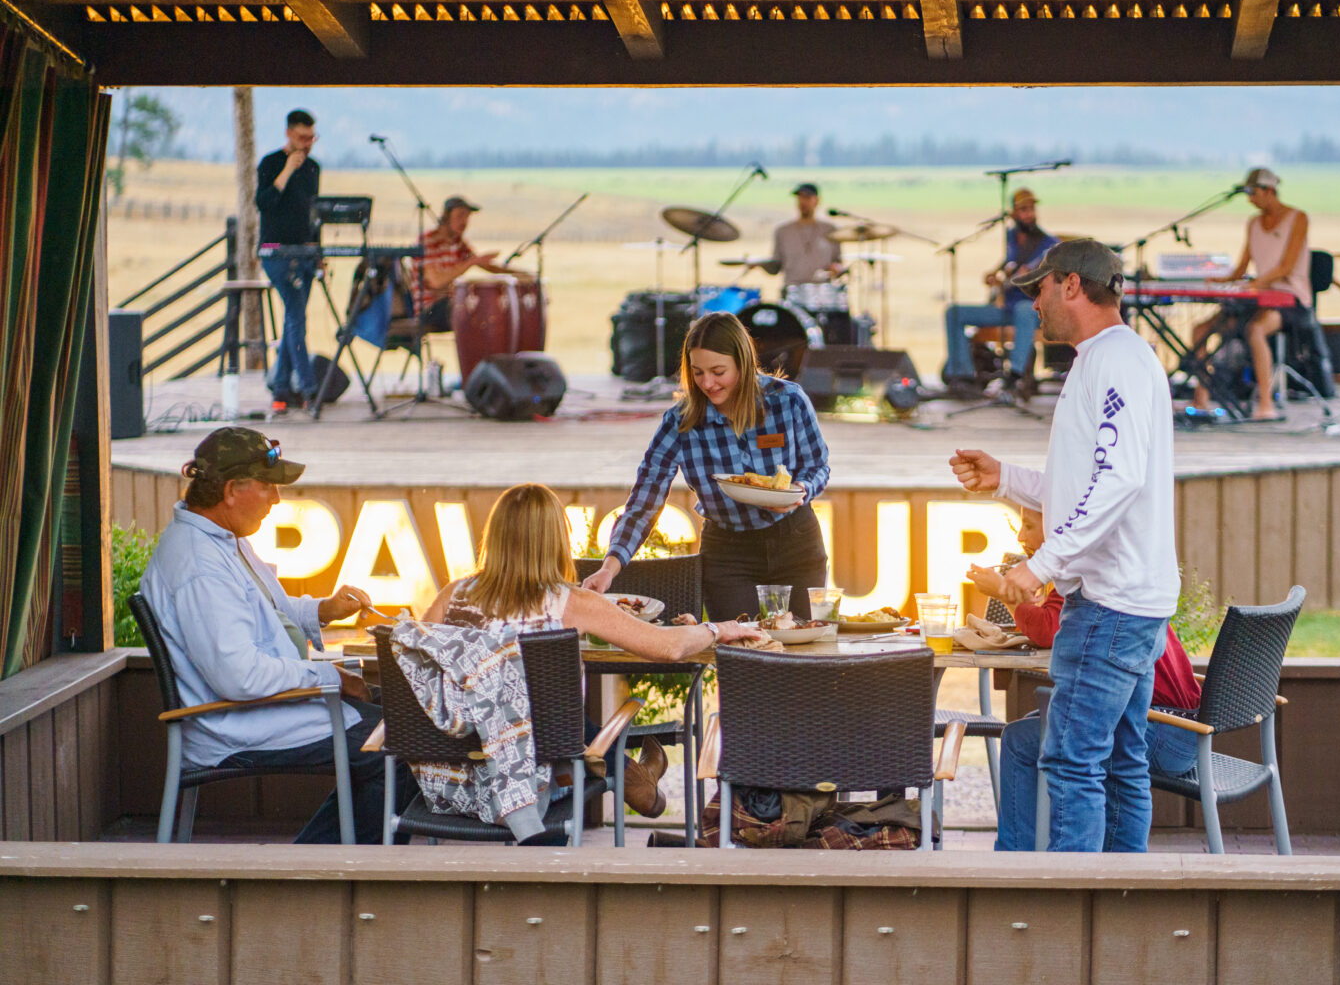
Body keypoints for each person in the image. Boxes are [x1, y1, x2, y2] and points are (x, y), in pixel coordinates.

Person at [949, 238, 1179, 853]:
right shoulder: (1110, 359)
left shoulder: (1114, 362)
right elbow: (1088, 482)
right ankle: (1118, 908)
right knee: (1122, 765)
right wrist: (1006, 479)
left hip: (1108, 604)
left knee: (1074, 763)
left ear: (1071, 285)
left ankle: (1075, 913)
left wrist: (1041, 564)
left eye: (1038, 290)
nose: (1032, 306)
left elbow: (1121, 478)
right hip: (1131, 600)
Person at [413, 483, 762, 838]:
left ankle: (636, 777)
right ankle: (635, 778)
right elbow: (667, 647)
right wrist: (718, 629)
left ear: (495, 536)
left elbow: (417, 671)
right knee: (561, 720)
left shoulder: (451, 597)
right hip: (532, 786)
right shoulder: (569, 602)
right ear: (556, 539)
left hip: (450, 785)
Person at [139, 427, 407, 843]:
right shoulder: (200, 566)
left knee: (404, 724)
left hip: (263, 709)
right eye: (268, 486)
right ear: (231, 490)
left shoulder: (223, 539)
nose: (277, 499)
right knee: (399, 748)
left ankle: (322, 864)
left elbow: (269, 612)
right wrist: (331, 678)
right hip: (234, 724)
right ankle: (315, 877)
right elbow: (241, 676)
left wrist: (324, 610)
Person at [967, 507, 1200, 852]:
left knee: (1025, 742)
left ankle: (1021, 865)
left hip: (1167, 729)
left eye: (1029, 526)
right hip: (1178, 728)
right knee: (1044, 733)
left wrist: (1005, 593)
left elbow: (1050, 628)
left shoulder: (1083, 572)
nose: (1020, 537)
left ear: (1058, 530)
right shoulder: (1107, 567)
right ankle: (1100, 874)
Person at [581, 312, 832, 622]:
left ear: (742, 362)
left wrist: (802, 491)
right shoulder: (680, 422)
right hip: (729, 553)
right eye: (698, 372)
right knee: (740, 655)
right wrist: (610, 567)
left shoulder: (789, 401)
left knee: (802, 652)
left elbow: (817, 466)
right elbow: (645, 499)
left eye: (718, 371)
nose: (708, 383)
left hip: (797, 544)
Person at [1188, 167, 1311, 421]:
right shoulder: (1253, 224)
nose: (1250, 200)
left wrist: (1256, 283)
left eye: (1254, 193)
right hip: (1258, 296)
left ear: (1269, 191)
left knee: (1255, 329)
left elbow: (1286, 266)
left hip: (1290, 299)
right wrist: (1220, 281)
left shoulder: (1297, 218)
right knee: (1201, 331)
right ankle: (1201, 398)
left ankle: (1265, 404)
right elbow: (1241, 267)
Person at [941, 187, 1060, 396]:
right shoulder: (1012, 238)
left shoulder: (1049, 244)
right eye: (1024, 210)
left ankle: (1014, 377)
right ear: (1013, 214)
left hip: (1032, 310)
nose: (1029, 214)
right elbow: (1008, 267)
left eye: (1032, 209)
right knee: (954, 312)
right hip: (1006, 308)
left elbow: (1054, 281)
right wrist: (995, 276)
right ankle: (964, 377)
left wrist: (1030, 277)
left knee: (1024, 309)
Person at [255, 109, 321, 408]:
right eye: (302, 138)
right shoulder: (270, 163)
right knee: (296, 315)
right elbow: (265, 203)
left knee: (293, 319)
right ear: (289, 134)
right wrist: (287, 171)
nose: (307, 144)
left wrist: (317, 251)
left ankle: (281, 390)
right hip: (275, 250)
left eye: (311, 138)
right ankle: (309, 389)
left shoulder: (314, 168)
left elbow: (313, 212)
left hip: (304, 250)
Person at [415, 195, 524, 332]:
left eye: (467, 217)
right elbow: (436, 281)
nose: (464, 222)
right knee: (478, 311)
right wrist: (471, 262)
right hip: (430, 308)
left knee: (491, 306)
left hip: (451, 304)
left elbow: (485, 265)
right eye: (460, 216)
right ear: (446, 217)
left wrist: (520, 274)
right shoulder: (428, 241)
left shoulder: (458, 243)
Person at [771, 182, 843, 289]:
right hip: (792, 290)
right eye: (800, 198)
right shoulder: (783, 231)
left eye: (807, 197)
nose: (803, 202)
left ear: (817, 200)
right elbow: (775, 266)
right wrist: (757, 263)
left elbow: (837, 262)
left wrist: (836, 269)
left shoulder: (830, 230)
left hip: (822, 290)